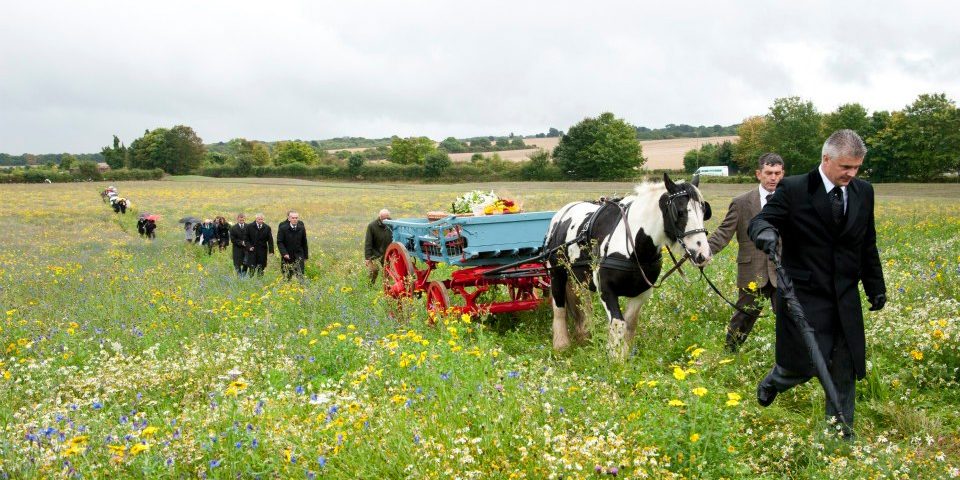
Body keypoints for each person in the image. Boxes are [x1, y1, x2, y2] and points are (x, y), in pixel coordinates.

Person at [749, 129, 886, 437]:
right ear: (827, 159)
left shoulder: (864, 191)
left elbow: (867, 243)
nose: (852, 174)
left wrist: (875, 286)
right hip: (805, 295)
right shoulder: (795, 188)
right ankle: (776, 379)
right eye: (846, 167)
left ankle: (840, 434)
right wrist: (765, 234)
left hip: (845, 298)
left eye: (856, 167)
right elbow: (761, 221)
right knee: (803, 365)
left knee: (844, 368)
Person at [707, 153, 785, 352]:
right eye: (768, 173)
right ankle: (729, 353)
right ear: (759, 174)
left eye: (777, 173)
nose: (773, 178)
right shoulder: (741, 202)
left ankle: (793, 359)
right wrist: (703, 252)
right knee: (743, 317)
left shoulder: (790, 200)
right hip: (752, 271)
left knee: (790, 318)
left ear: (783, 174)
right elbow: (724, 232)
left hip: (783, 270)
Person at [364, 208, 393, 284]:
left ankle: (387, 288)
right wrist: (367, 258)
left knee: (389, 272)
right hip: (375, 253)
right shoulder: (372, 226)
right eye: (384, 218)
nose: (386, 220)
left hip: (388, 254)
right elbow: (368, 243)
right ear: (380, 217)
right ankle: (370, 286)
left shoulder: (393, 224)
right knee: (374, 270)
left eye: (387, 218)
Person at [277, 211, 308, 281]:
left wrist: (305, 256)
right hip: (287, 255)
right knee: (287, 274)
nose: (295, 219)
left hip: (299, 255)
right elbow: (280, 242)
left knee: (300, 274)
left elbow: (304, 242)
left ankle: (301, 289)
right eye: (293, 218)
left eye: (296, 218)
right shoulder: (283, 228)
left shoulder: (301, 228)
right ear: (289, 218)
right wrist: (284, 253)